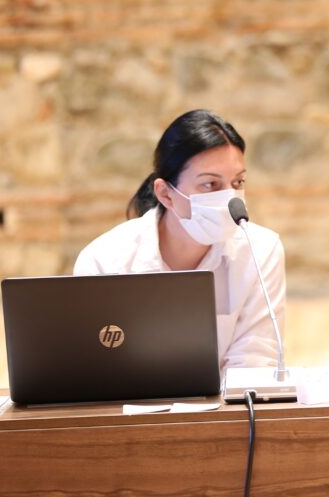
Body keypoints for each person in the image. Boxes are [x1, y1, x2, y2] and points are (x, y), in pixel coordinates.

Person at [74, 109, 285, 371]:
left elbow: (254, 361)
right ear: (165, 194)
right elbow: (96, 367)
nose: (229, 197)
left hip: (228, 399)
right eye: (210, 184)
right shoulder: (104, 260)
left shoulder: (261, 250)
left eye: (238, 182)